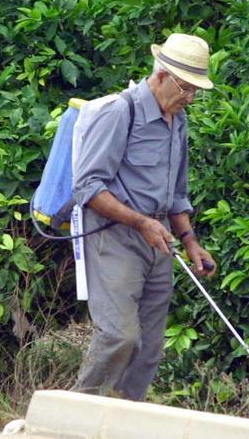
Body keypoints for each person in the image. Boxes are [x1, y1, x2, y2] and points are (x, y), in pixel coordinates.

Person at [70, 32, 218, 401]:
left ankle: (123, 417)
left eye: (196, 90)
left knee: (149, 348)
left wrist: (190, 241)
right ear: (162, 75)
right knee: (120, 336)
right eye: (185, 88)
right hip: (114, 235)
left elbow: (177, 193)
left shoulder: (178, 120)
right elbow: (88, 188)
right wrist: (141, 223)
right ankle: (73, 412)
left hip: (160, 238)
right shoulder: (121, 111)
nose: (190, 97)